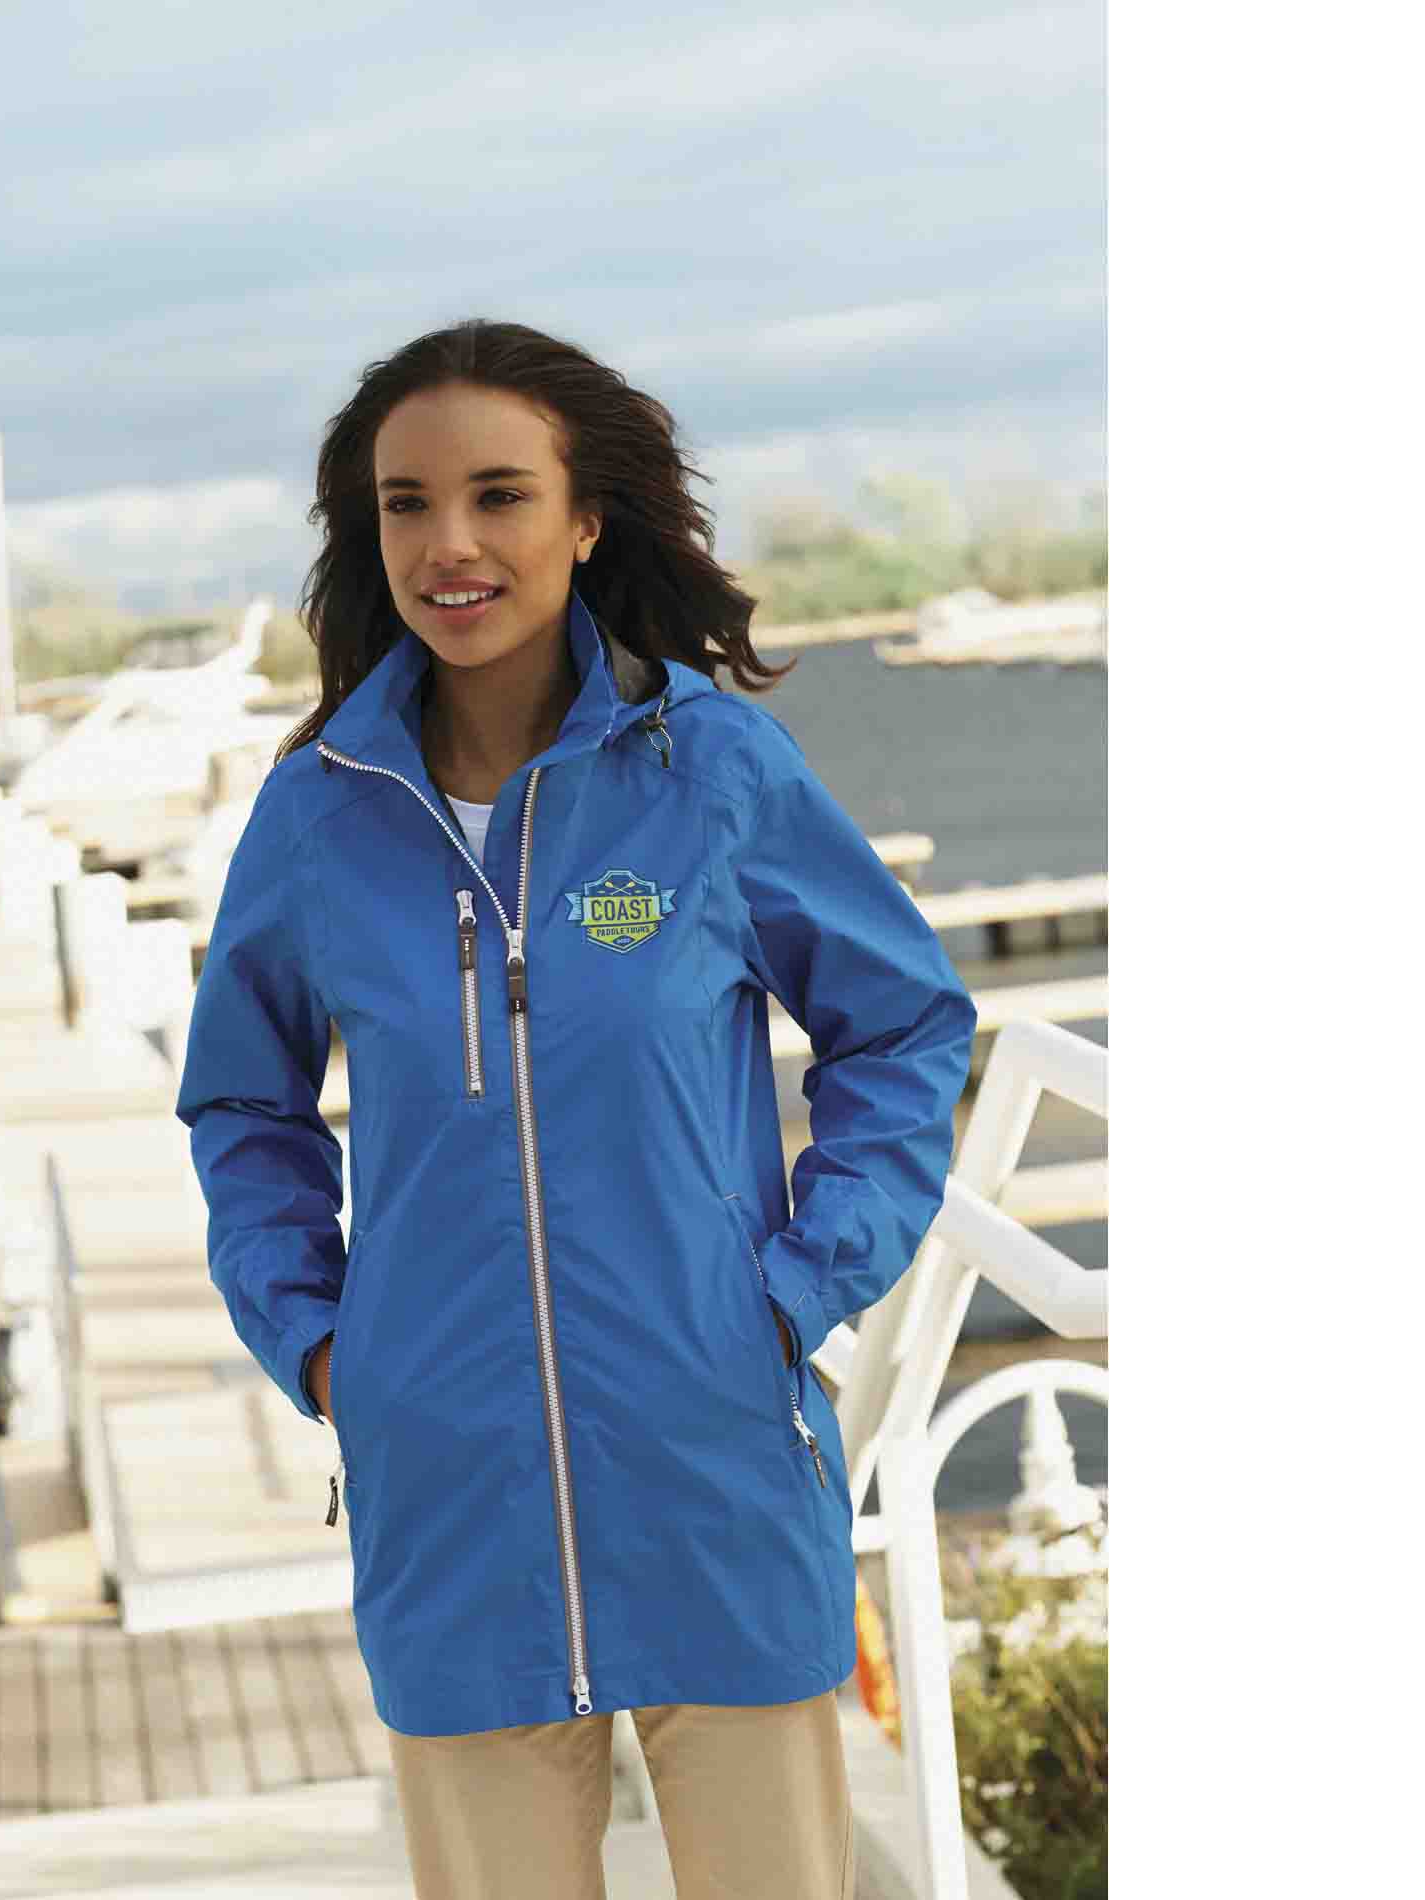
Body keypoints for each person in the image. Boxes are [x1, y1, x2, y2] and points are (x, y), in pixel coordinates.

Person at [176, 319, 977, 1900]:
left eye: (499, 495)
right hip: (449, 1490)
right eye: (407, 503)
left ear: (586, 519)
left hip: (713, 1456)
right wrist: (327, 1344)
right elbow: (242, 1104)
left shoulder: (711, 772)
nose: (450, 544)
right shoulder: (322, 812)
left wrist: (794, 1291)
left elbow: (901, 1025)